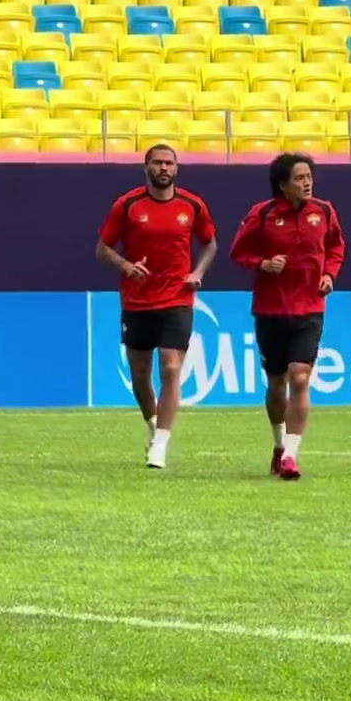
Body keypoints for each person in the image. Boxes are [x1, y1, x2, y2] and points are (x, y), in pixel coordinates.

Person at [95, 144, 217, 470]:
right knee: (140, 374)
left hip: (178, 297)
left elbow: (210, 243)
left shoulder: (192, 205)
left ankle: (161, 443)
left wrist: (198, 272)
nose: (164, 168)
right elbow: (103, 249)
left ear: (176, 169)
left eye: (169, 163)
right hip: (137, 299)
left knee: (172, 367)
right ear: (146, 167)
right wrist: (126, 265)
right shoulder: (128, 205)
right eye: (158, 163)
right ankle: (152, 425)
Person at [229, 153, 347, 482]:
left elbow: (336, 247)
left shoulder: (324, 211)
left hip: (310, 308)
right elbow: (238, 252)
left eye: (309, 176)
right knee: (277, 382)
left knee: (300, 377)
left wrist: (330, 274)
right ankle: (279, 444)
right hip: (271, 309)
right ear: (283, 185)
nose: (307, 183)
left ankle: (291, 456)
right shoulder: (262, 214)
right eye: (299, 178)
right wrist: (263, 264)